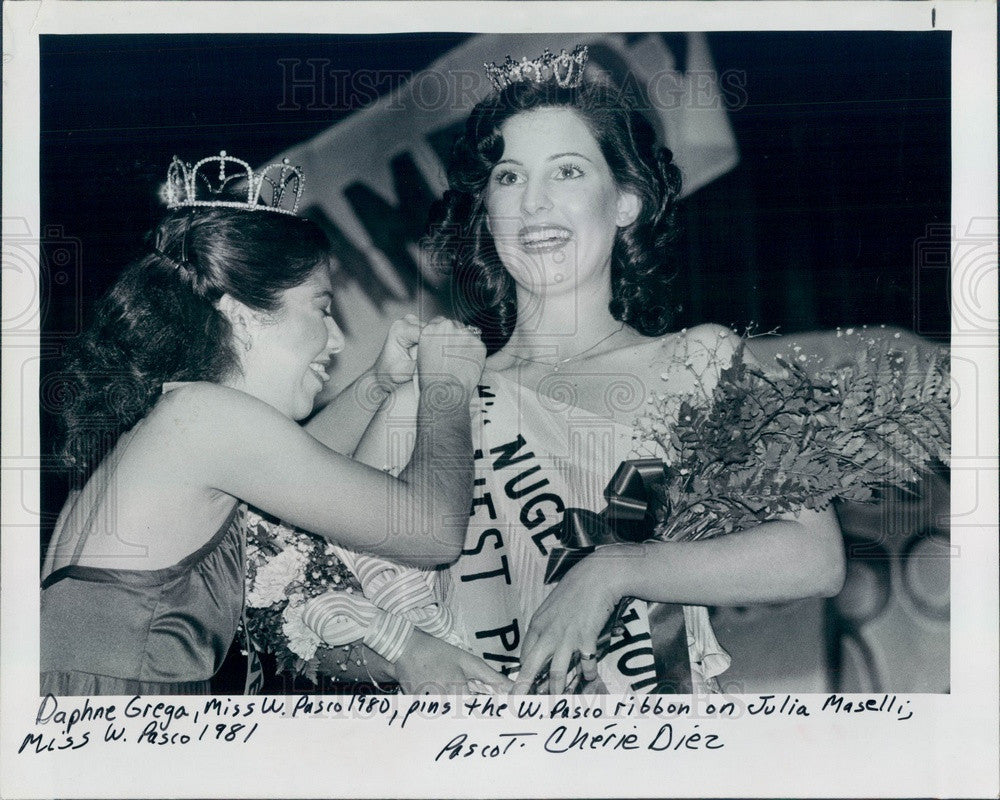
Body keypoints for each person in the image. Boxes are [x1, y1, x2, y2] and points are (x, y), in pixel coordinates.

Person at [308, 47, 847, 695]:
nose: (533, 203)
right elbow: (311, 609)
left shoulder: (698, 363)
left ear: (624, 201)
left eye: (566, 171)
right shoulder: (433, 394)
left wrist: (612, 570)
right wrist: (405, 654)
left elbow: (816, 556)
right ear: (486, 207)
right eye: (508, 177)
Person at [40, 152, 511, 696]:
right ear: (242, 313)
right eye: (320, 308)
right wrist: (448, 387)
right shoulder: (204, 417)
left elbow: (293, 468)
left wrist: (376, 385)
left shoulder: (160, 417)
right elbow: (432, 532)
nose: (336, 341)